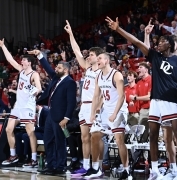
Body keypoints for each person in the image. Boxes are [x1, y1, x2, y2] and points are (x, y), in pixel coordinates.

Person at [105, 16, 177, 180]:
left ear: (170, 44)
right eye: (157, 42)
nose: (158, 44)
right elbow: (137, 43)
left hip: (171, 101)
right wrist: (118, 29)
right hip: (155, 101)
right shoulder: (155, 57)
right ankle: (155, 170)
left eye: (161, 42)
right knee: (153, 136)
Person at [63, 20, 105, 176]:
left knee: (96, 138)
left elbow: (103, 92)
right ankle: (87, 166)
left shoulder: (102, 71)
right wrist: (71, 34)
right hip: (84, 106)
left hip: (95, 106)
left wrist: (98, 107)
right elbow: (76, 51)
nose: (88, 56)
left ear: (98, 57)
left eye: (92, 55)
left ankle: (98, 166)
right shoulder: (87, 68)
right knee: (84, 138)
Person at [0, 38, 42, 167]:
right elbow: (10, 59)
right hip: (18, 106)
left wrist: (31, 91)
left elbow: (39, 88)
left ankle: (33, 159)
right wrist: (3, 46)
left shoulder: (34, 74)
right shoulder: (21, 70)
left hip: (28, 106)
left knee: (30, 132)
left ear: (29, 62)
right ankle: (13, 155)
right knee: (9, 129)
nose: (22, 61)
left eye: (24, 60)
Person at [32, 49, 77, 175]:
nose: (56, 69)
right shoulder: (56, 79)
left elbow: (71, 102)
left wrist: (67, 118)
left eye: (59, 67)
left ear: (66, 70)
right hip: (51, 115)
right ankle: (51, 165)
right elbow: (47, 68)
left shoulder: (70, 83)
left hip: (61, 117)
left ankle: (60, 166)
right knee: (48, 141)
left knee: (60, 142)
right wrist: (40, 56)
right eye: (56, 67)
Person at [85, 53, 130, 179]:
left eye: (100, 58)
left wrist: (115, 113)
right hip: (106, 111)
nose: (97, 60)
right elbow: (96, 96)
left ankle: (127, 171)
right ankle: (95, 168)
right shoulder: (98, 76)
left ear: (107, 60)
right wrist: (93, 113)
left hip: (119, 110)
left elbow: (122, 96)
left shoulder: (116, 75)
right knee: (94, 135)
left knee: (119, 140)